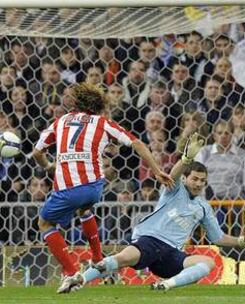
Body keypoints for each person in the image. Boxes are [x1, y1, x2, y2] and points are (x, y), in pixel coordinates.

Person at [61, 133, 245, 293]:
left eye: (202, 181)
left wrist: (243, 240)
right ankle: (79, 280)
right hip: (150, 240)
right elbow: (173, 174)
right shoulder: (174, 189)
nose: (198, 183)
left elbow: (218, 237)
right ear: (186, 179)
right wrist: (186, 159)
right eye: (194, 179)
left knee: (207, 263)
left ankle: (165, 285)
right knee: (123, 258)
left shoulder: (204, 207)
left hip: (171, 255)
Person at [32, 83, 174, 293]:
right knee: (85, 209)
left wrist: (48, 166)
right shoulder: (103, 123)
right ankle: (98, 258)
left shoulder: (60, 121)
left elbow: (37, 152)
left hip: (68, 188)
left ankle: (71, 273)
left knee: (44, 223)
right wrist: (156, 170)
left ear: (76, 102)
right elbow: (137, 144)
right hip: (94, 186)